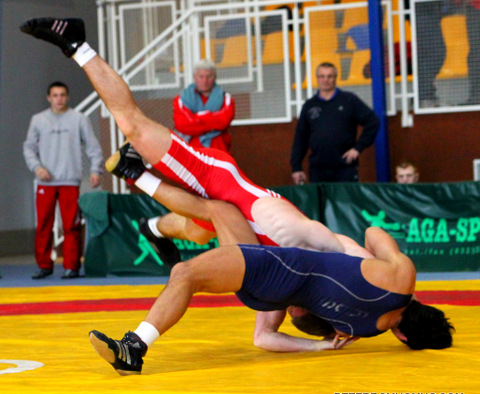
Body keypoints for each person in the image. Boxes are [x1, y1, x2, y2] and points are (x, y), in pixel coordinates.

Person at [20, 18, 454, 375]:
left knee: (197, 207)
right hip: (242, 214)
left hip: (252, 229)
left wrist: (372, 272)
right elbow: (278, 326)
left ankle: (140, 188)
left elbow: (371, 236)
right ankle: (82, 55)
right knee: (153, 150)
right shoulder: (352, 318)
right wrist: (326, 338)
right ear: (403, 336)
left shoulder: (370, 284)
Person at [141, 59, 234, 254]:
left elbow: (224, 121)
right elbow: (183, 125)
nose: (205, 80)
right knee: (194, 205)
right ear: (194, 77)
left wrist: (197, 119)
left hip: (220, 160)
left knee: (221, 204)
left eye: (209, 76)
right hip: (193, 160)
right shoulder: (182, 98)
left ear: (214, 77)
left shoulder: (225, 97)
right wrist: (211, 118)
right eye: (201, 76)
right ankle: (157, 228)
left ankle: (156, 228)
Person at [23, 80, 104, 279]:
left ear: (67, 97)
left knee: (71, 225)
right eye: (55, 95)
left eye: (62, 95)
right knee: (44, 225)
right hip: (46, 182)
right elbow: (28, 148)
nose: (59, 99)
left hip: (70, 181)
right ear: (49, 98)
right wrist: (37, 168)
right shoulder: (38, 120)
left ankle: (72, 266)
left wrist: (96, 170)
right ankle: (44, 265)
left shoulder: (79, 119)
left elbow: (93, 147)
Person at [290, 62, 379, 185]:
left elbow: (373, 121)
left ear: (335, 78)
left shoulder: (349, 100)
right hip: (318, 169)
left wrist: (358, 148)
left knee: (347, 198)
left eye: (329, 76)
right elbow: (300, 138)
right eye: (322, 76)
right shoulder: (309, 105)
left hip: (345, 167)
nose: (326, 80)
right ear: (317, 79)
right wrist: (296, 167)